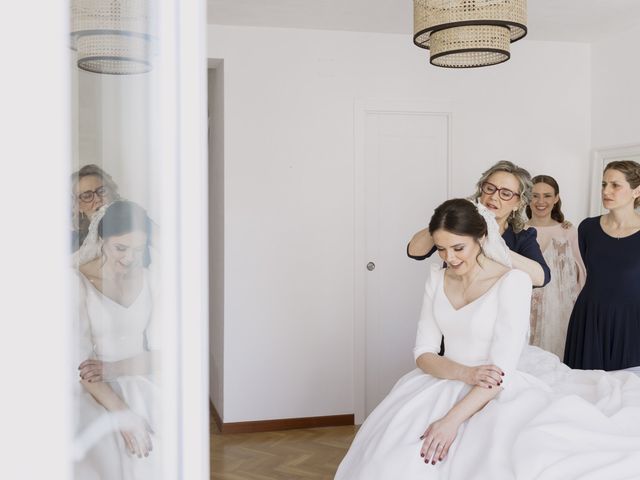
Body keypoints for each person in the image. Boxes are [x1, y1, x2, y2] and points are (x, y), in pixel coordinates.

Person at [335, 199, 640, 480]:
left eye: (458, 248)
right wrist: (463, 373)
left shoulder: (512, 281)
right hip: (439, 382)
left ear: (481, 239)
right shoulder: (436, 275)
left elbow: (501, 368)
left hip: (495, 390)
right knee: (391, 464)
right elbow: (423, 352)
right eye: (441, 248)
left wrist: (451, 421)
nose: (448, 258)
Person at [73, 200, 161, 480]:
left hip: (143, 377)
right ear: (102, 239)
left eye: (138, 249)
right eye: (120, 248)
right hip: (92, 389)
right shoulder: (76, 281)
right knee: (98, 447)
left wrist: (115, 369)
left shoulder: (153, 279)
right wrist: (124, 416)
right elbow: (80, 365)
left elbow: (166, 353)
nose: (129, 258)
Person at [408, 161, 550, 287]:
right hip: (454, 303)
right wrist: (452, 214)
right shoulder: (460, 224)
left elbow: (542, 277)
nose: (494, 197)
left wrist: (494, 246)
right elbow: (415, 251)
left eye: (505, 194)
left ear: (518, 203)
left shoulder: (522, 237)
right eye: (490, 188)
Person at [564, 160, 640, 371]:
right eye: (604, 184)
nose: (606, 191)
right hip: (589, 316)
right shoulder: (587, 228)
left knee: (626, 392)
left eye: (616, 185)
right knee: (584, 387)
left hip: (631, 321)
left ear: (636, 191)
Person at [525, 175, 585, 358]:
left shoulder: (568, 231)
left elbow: (581, 273)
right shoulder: (518, 231)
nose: (541, 201)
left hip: (559, 313)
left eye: (547, 195)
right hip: (524, 309)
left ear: (556, 198)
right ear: (527, 198)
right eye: (535, 195)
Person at [71, 164, 119, 251]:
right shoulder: (71, 243)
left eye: (102, 191)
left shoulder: (137, 224)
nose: (97, 199)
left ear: (112, 192)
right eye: (87, 196)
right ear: (78, 206)